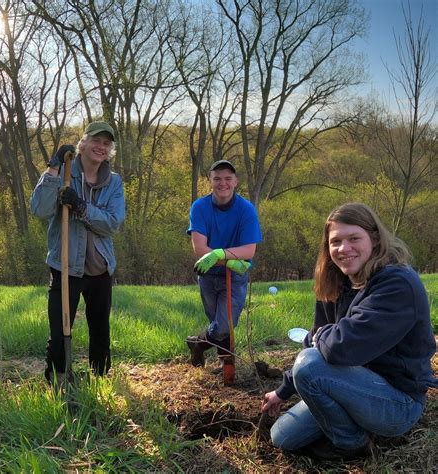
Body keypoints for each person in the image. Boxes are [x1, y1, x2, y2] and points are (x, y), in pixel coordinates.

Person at [261, 202, 436, 460]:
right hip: (350, 383)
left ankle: (351, 442)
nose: (344, 249)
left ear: (374, 239)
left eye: (354, 238)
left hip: (397, 401)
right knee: (282, 437)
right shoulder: (337, 280)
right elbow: (318, 340)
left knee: (309, 366)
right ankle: (352, 421)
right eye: (336, 241)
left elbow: (338, 347)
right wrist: (282, 391)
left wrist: (319, 336)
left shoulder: (397, 284)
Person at [30, 121, 125, 383]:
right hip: (65, 266)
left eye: (106, 143)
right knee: (60, 332)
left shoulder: (114, 183)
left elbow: (112, 223)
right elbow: (39, 210)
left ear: (110, 150)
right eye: (96, 140)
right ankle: (58, 381)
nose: (101, 147)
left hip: (100, 269)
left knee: (100, 332)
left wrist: (81, 207)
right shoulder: (64, 174)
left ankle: (100, 381)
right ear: (83, 144)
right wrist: (53, 167)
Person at [186, 160, 262, 367]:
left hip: (237, 276)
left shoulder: (246, 210)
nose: (223, 183)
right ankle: (227, 370)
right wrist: (230, 260)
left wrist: (219, 254)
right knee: (217, 323)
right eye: (217, 178)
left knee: (224, 325)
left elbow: (249, 250)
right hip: (208, 274)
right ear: (210, 181)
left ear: (235, 181)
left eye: (228, 178)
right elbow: (200, 249)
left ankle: (198, 344)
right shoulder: (200, 207)